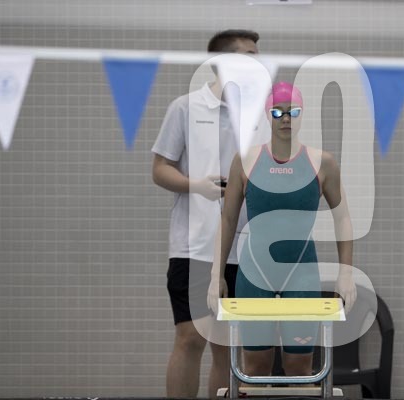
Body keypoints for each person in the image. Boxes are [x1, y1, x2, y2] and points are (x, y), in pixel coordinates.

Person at [208, 82, 356, 377]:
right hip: (254, 272)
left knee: (300, 367)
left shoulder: (322, 163)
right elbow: (227, 220)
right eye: (278, 112)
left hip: (301, 272)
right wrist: (216, 275)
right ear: (267, 115)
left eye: (293, 111)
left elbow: (343, 218)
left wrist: (346, 274)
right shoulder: (246, 161)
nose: (286, 118)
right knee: (255, 368)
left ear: (303, 114)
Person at [152, 29, 267, 398]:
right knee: (190, 337)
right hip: (195, 246)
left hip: (244, 248)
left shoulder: (262, 115)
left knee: (225, 344)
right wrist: (196, 185)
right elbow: (160, 169)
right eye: (250, 56)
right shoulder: (186, 107)